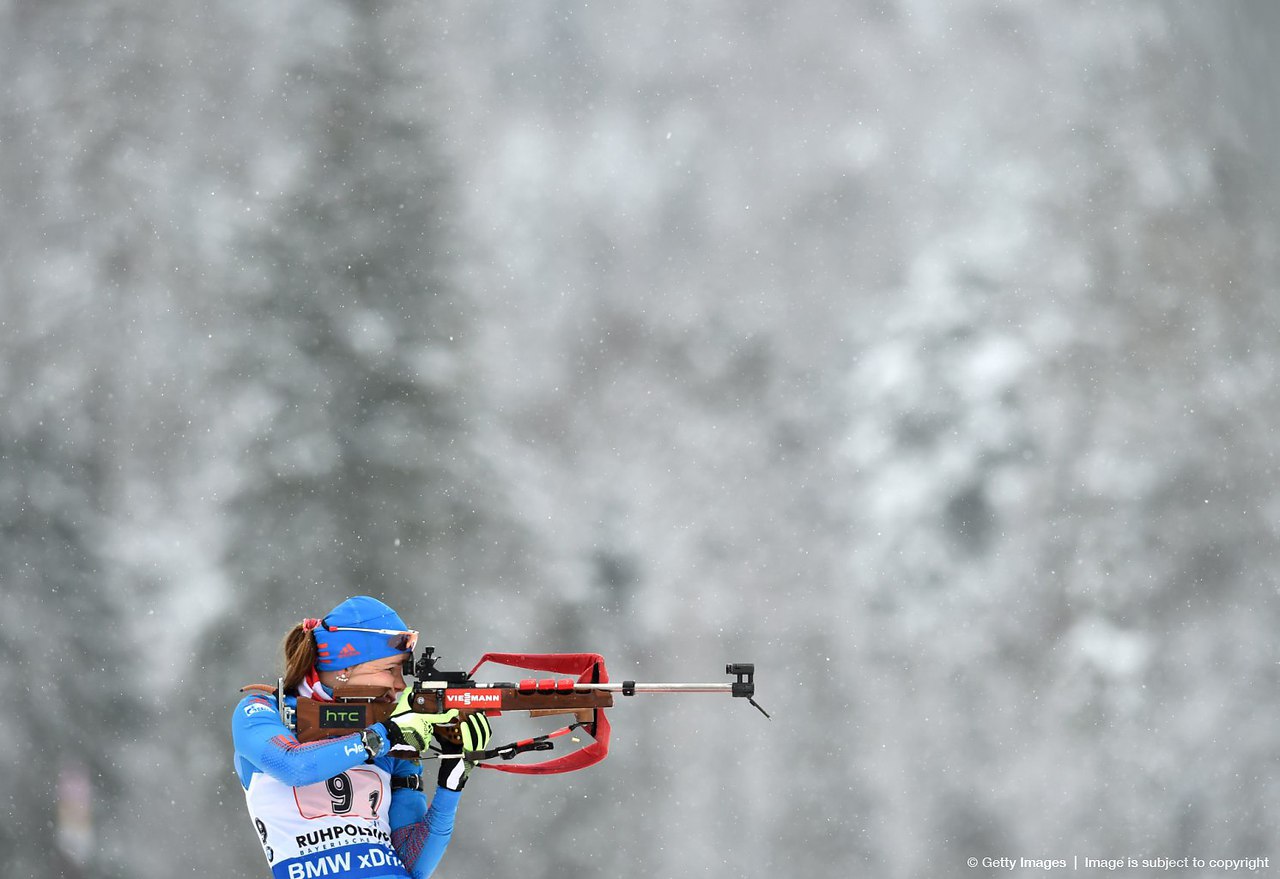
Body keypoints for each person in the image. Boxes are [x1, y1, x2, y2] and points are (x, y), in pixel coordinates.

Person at [231, 596, 492, 879]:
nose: (400, 685)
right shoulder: (265, 711)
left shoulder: (390, 731)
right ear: (345, 668)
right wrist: (383, 736)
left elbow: (412, 864)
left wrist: (452, 780)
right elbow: (295, 766)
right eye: (390, 669)